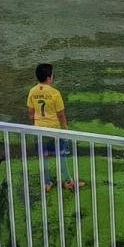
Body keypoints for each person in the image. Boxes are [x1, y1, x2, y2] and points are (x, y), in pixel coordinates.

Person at [27, 63, 85, 192]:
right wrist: (65, 128)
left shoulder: (32, 91)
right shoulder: (55, 93)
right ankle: (68, 182)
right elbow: (61, 114)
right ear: (49, 78)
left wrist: (36, 124)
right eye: (52, 74)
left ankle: (47, 183)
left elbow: (31, 113)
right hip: (54, 130)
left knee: (45, 157)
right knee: (62, 156)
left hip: (40, 130)